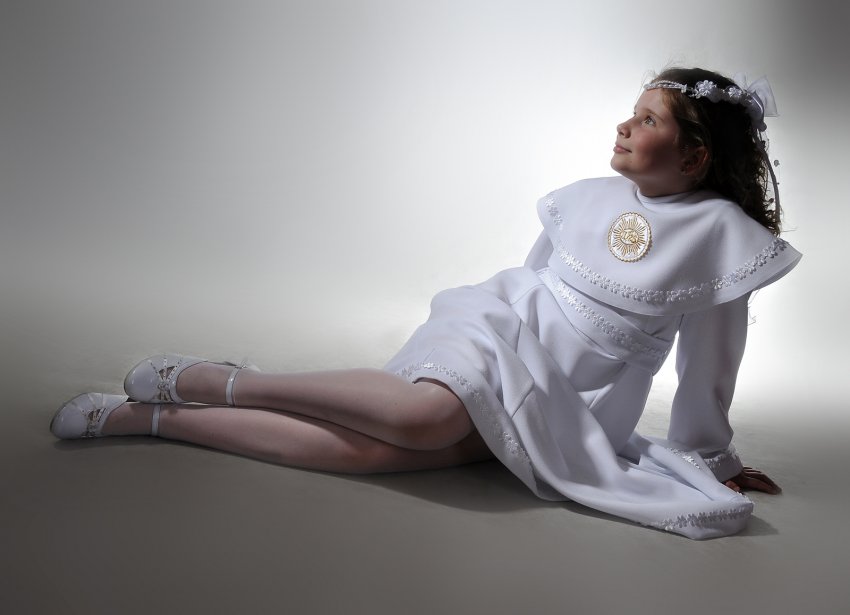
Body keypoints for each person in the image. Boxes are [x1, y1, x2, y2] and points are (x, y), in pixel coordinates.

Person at [50, 67, 801, 539]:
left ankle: (150, 419)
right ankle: (217, 379)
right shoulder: (586, 197)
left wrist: (712, 457)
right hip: (499, 329)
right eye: (629, 112)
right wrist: (487, 353)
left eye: (648, 120)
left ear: (695, 154)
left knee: (390, 453)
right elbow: (533, 283)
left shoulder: (720, 237)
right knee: (424, 418)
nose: (623, 125)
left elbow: (710, 366)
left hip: (569, 398)